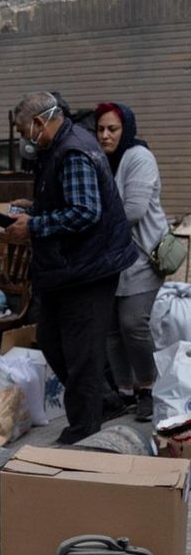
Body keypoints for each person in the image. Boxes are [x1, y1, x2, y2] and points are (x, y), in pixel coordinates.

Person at [2, 91, 137, 444]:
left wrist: (31, 227)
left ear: (39, 123)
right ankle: (104, 402)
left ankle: (83, 432)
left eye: (23, 131)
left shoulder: (73, 150)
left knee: (81, 355)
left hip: (89, 268)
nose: (23, 140)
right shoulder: (59, 147)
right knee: (52, 341)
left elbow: (85, 213)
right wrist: (34, 208)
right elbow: (70, 201)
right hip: (71, 267)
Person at [95, 102, 166, 422]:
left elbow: (134, 211)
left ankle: (147, 388)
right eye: (100, 129)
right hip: (110, 260)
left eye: (113, 129)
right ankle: (124, 393)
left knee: (133, 324)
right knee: (111, 329)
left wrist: (88, 220)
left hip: (141, 257)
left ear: (127, 129)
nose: (106, 135)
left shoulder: (138, 157)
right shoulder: (102, 161)